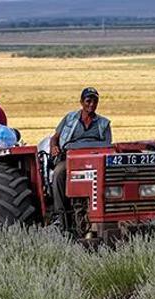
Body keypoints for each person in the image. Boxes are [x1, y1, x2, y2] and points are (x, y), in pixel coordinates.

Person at [49, 87, 112, 225]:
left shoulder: (104, 123)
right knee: (58, 173)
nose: (91, 104)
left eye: (95, 101)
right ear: (81, 102)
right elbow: (55, 138)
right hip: (71, 159)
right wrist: (54, 147)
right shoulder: (70, 119)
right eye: (88, 101)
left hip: (95, 161)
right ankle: (60, 215)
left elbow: (108, 146)